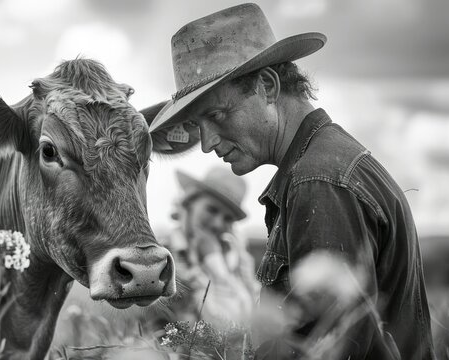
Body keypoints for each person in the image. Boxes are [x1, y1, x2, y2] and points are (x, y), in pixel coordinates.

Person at [146, 3, 434, 359]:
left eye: (216, 114)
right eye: (195, 125)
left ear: (267, 85)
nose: (205, 143)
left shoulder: (318, 182)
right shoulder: (324, 165)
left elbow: (329, 347)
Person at [161, 166, 258, 329]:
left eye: (228, 218)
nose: (217, 224)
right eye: (212, 210)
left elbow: (249, 317)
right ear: (189, 203)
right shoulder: (164, 254)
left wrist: (216, 263)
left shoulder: (236, 260)